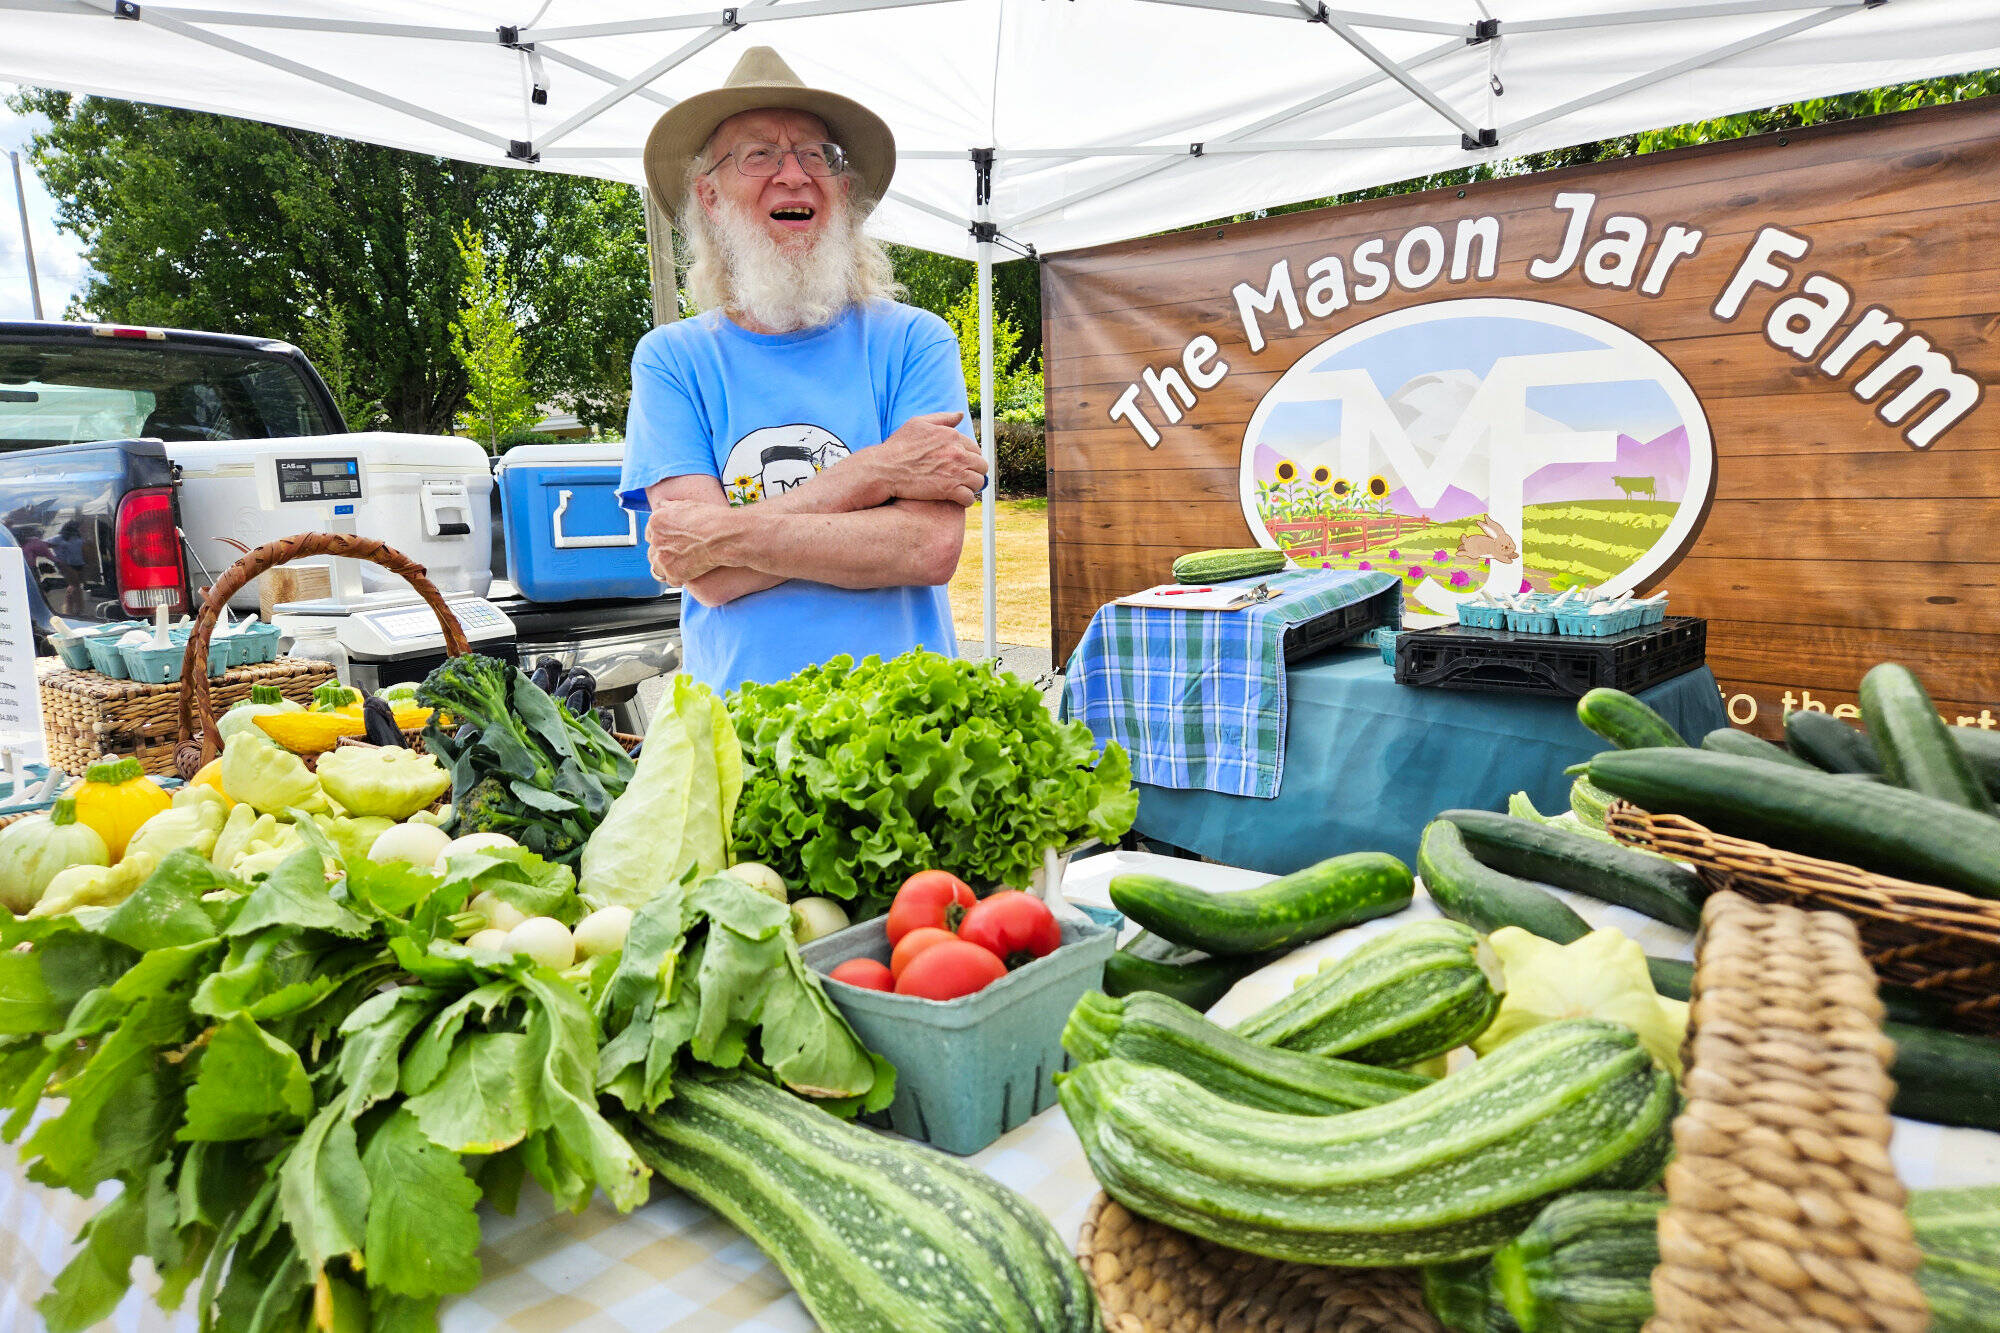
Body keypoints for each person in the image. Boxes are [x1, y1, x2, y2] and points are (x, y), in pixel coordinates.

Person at [619, 47, 990, 694]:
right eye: (759, 155)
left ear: (843, 189)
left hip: (903, 737)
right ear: (709, 195)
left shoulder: (914, 343)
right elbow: (704, 573)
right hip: (739, 745)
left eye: (816, 155)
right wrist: (878, 472)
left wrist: (727, 537)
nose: (794, 175)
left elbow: (926, 548)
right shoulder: (672, 360)